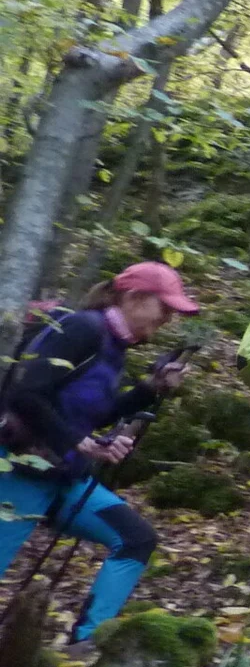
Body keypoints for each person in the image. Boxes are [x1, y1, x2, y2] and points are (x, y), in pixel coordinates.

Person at [0, 262, 197, 644]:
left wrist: (150, 388)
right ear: (134, 297)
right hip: (20, 469)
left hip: (62, 476)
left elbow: (93, 414)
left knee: (135, 540)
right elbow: (25, 393)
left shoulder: (113, 345)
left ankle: (86, 644)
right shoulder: (83, 328)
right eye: (165, 308)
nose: (168, 318)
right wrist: (76, 440)